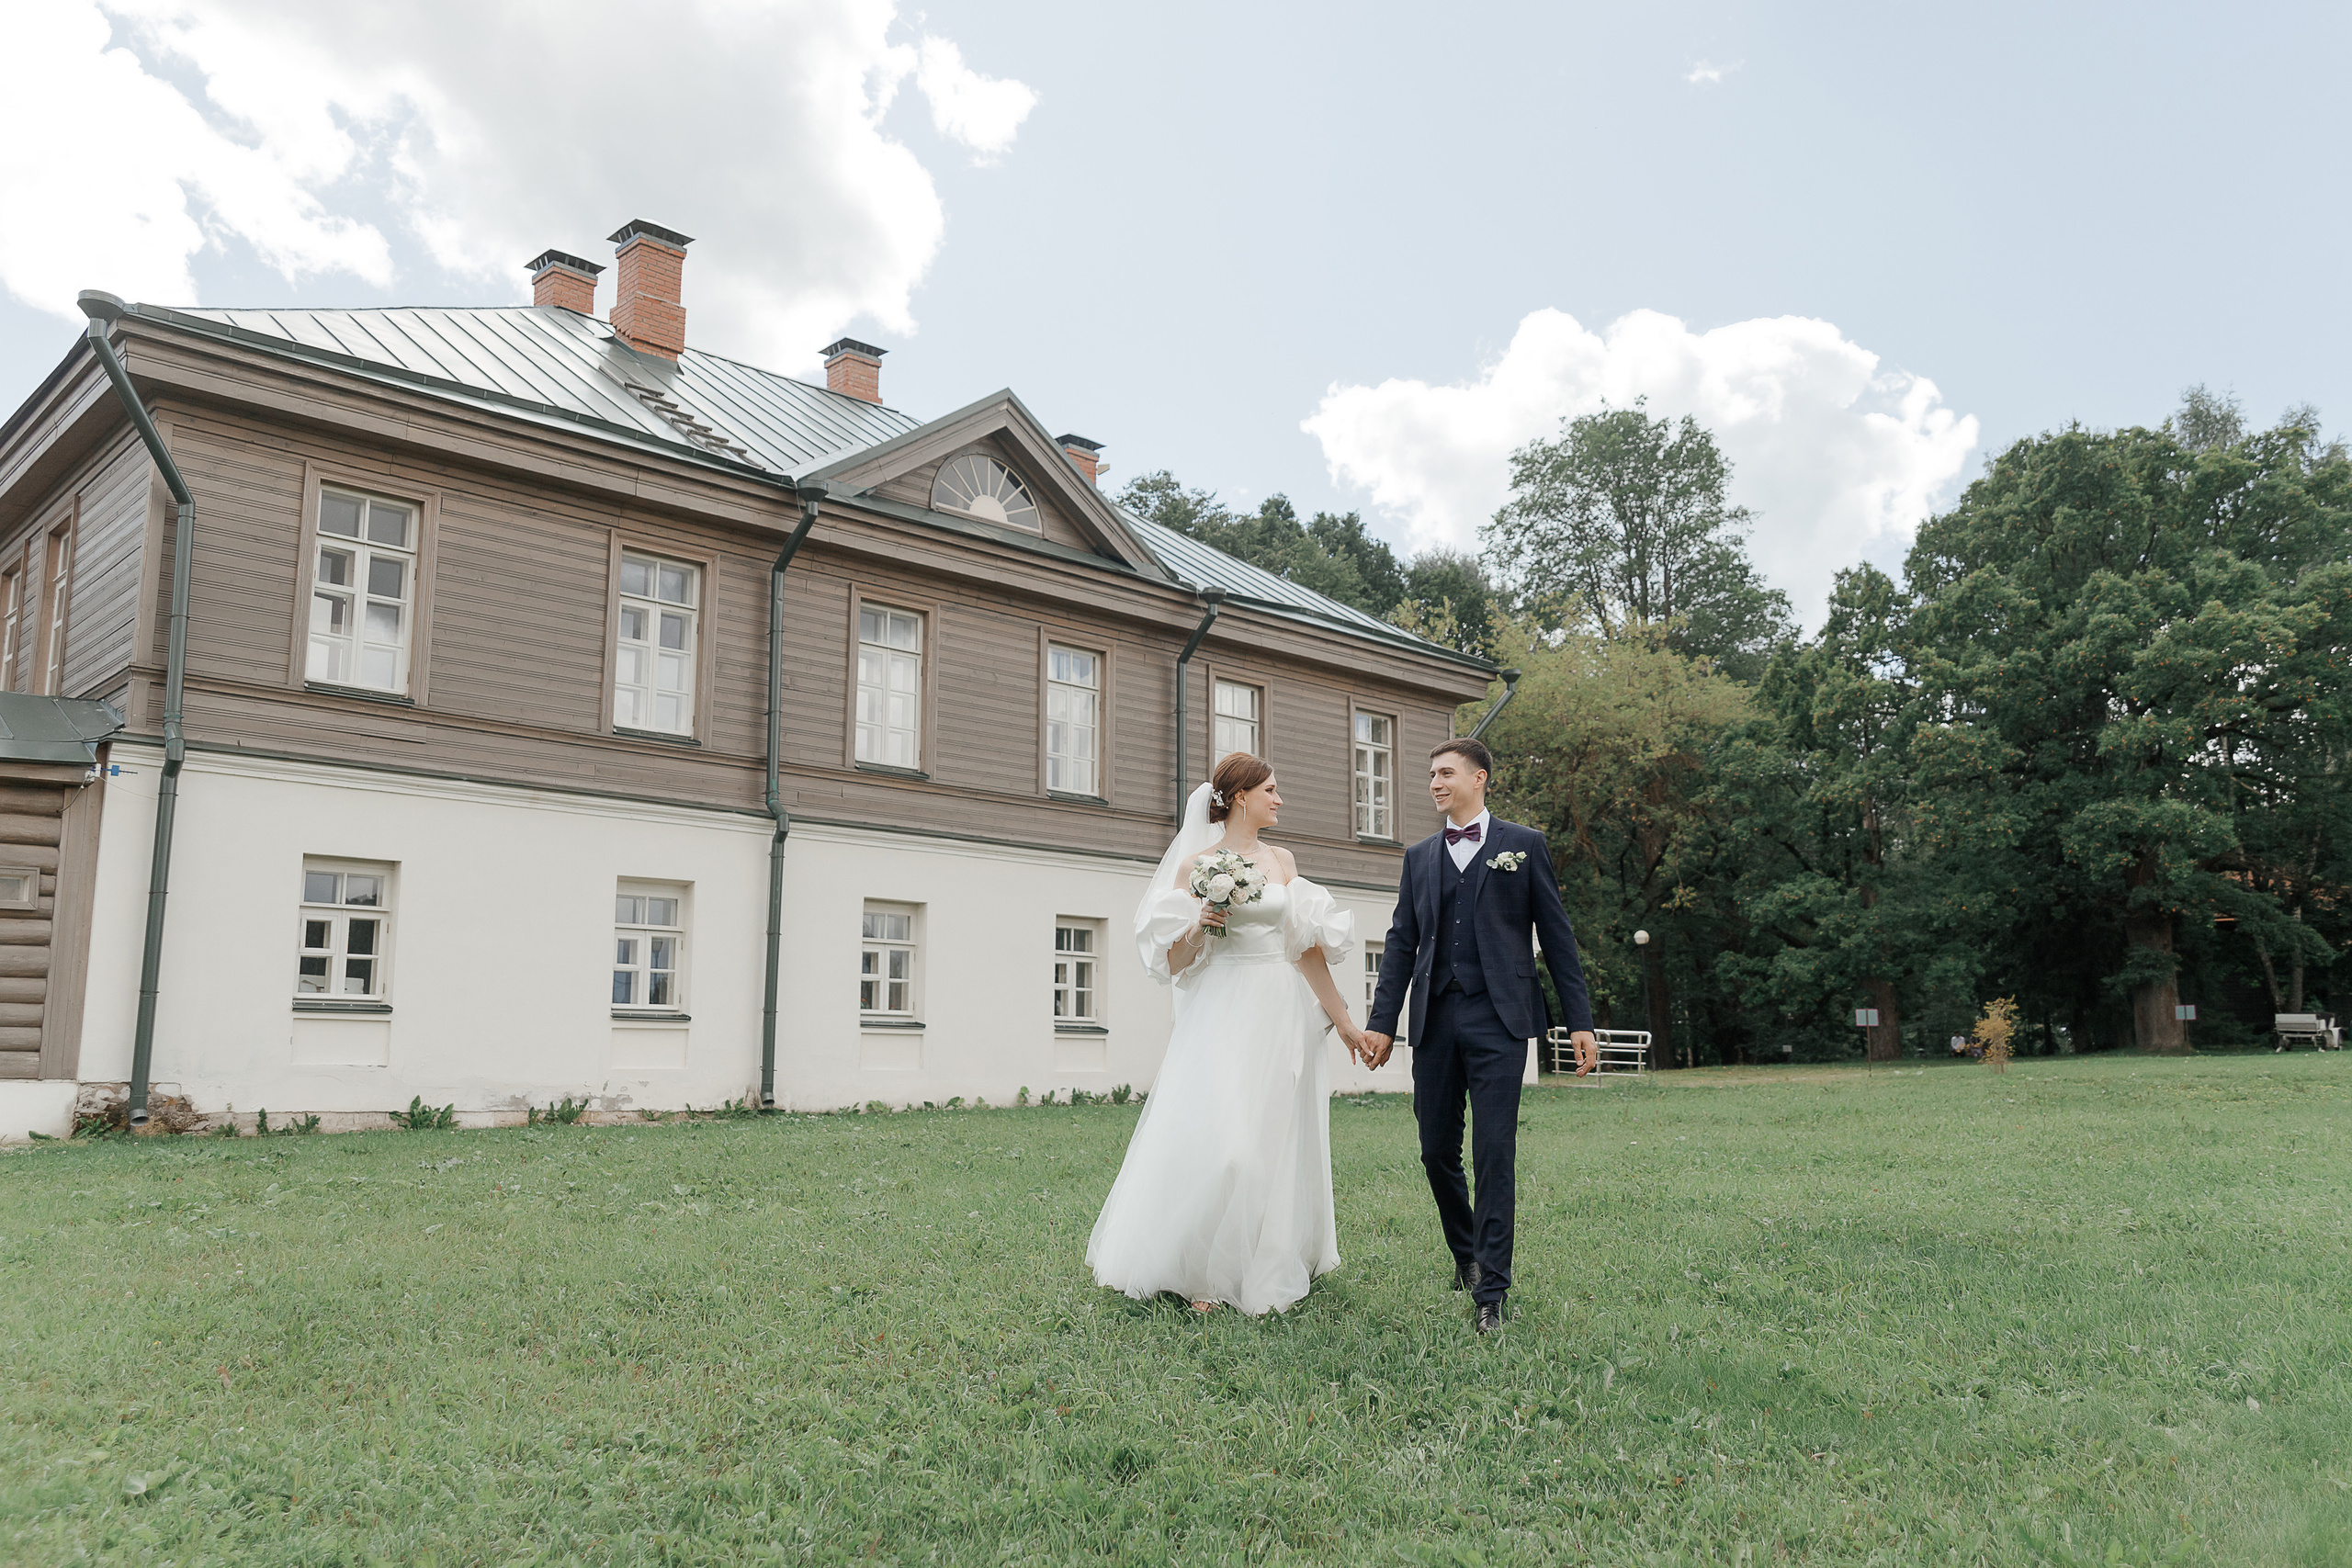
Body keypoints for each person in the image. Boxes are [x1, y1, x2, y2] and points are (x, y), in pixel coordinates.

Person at [1087, 753, 1368, 1315]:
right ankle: (1201, 1271)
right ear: (1240, 796)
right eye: (1271, 789)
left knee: (1272, 1140)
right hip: (1222, 1010)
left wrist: (1343, 1023)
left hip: (1279, 1011)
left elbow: (1305, 949)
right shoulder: (1196, 864)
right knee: (1227, 1145)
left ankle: (1261, 1262)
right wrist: (1199, 925)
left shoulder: (1283, 860)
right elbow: (1173, 961)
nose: (1279, 799)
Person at [1361, 738, 1596, 1335]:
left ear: (1479, 778)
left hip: (1501, 1020)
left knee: (1494, 1153)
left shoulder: (1524, 846)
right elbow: (1400, 944)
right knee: (1436, 1149)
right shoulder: (1419, 857)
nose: (1435, 782)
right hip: (1436, 1021)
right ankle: (1464, 1251)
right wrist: (1382, 1023)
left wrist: (1580, 1022)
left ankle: (1490, 1289)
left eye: (1446, 773)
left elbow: (1559, 940)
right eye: (1432, 774)